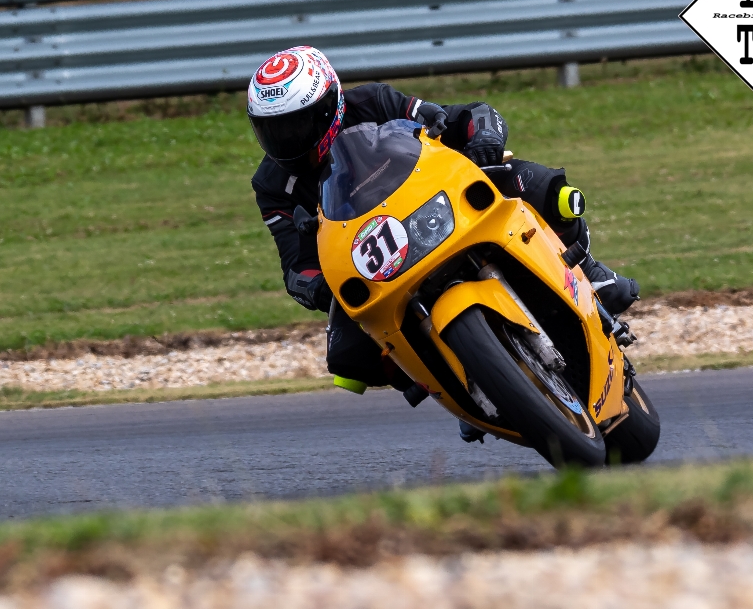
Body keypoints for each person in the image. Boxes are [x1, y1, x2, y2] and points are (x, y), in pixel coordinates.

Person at [247, 46, 638, 442]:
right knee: (349, 358)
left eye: (295, 125)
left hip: (434, 205)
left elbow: (461, 116)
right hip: (374, 257)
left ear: (330, 105)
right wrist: (314, 286)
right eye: (272, 131)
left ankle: (590, 271)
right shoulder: (271, 185)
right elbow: (295, 265)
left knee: (542, 187)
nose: (285, 141)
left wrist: (481, 137)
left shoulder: (373, 101)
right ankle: (457, 380)